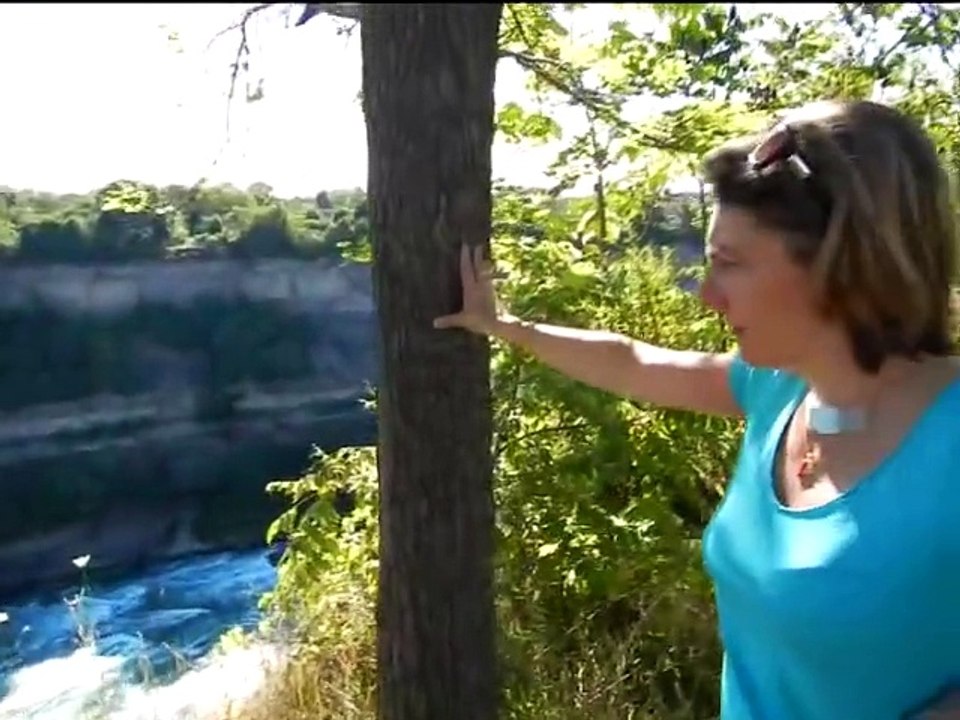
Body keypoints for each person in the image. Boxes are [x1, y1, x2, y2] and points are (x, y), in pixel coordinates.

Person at [434, 99, 960, 720]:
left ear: (839, 265)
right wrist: (506, 328)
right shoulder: (777, 391)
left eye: (729, 265)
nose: (708, 296)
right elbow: (633, 362)